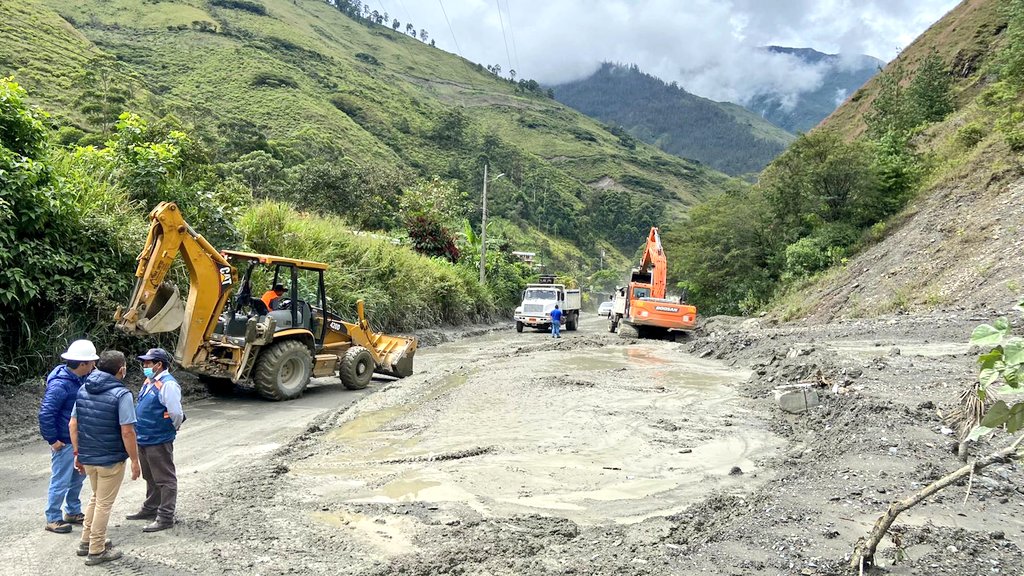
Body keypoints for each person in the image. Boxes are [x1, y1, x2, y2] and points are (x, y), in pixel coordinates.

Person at [70, 350, 141, 566]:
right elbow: (127, 431)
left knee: (95, 498)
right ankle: (97, 549)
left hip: (88, 457)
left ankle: (86, 541)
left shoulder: (83, 388)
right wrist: (135, 460)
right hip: (110, 459)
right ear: (121, 369)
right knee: (103, 504)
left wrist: (77, 453)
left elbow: (73, 424)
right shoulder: (122, 395)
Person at [39, 339, 98, 534]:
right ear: (82, 364)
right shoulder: (60, 385)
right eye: (91, 363)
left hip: (77, 440)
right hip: (64, 441)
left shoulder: (77, 379)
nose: (93, 366)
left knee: (77, 478)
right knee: (61, 480)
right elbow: (46, 413)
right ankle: (53, 517)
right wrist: (53, 440)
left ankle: (72, 511)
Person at [127, 348, 183, 533]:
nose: (145, 366)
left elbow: (176, 413)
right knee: (150, 476)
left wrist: (169, 429)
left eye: (148, 363)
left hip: (158, 439)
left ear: (159, 365)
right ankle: (151, 508)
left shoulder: (168, 385)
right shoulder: (150, 381)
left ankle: (165, 516)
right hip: (144, 438)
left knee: (165, 478)